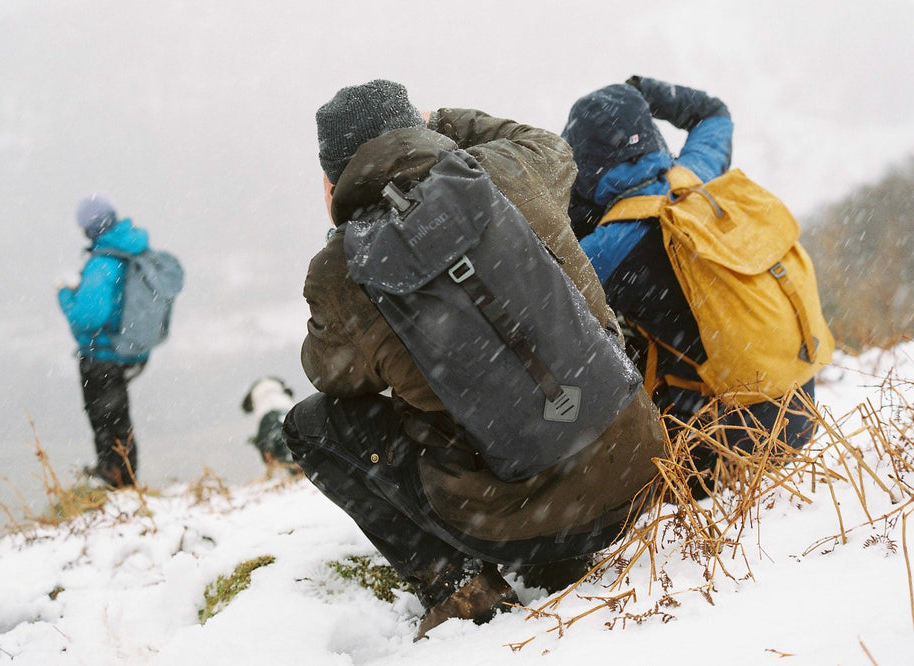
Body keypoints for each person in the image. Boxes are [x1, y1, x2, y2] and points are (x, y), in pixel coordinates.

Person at [282, 80, 665, 640]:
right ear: (421, 128)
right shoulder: (508, 169)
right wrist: (444, 122)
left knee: (310, 425)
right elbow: (550, 145)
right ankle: (565, 521)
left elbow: (329, 372)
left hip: (517, 523)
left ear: (330, 180)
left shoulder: (341, 267)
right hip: (640, 463)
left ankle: (457, 588)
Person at [560, 76, 819, 478]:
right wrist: (646, 93)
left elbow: (541, 293)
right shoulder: (695, 176)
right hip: (800, 412)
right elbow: (713, 114)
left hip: (725, 451)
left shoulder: (604, 251)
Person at [58, 194, 149, 488]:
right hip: (123, 351)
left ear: (88, 228)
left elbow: (88, 318)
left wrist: (65, 294)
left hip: (101, 355)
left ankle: (115, 481)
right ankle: (123, 479)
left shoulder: (102, 263)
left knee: (105, 421)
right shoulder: (128, 251)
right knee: (119, 420)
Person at [241, 377, 298, 477]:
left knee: (271, 443)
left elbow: (245, 408)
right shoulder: (279, 387)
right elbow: (291, 393)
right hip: (286, 410)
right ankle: (296, 463)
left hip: (266, 417)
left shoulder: (254, 393)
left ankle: (289, 465)